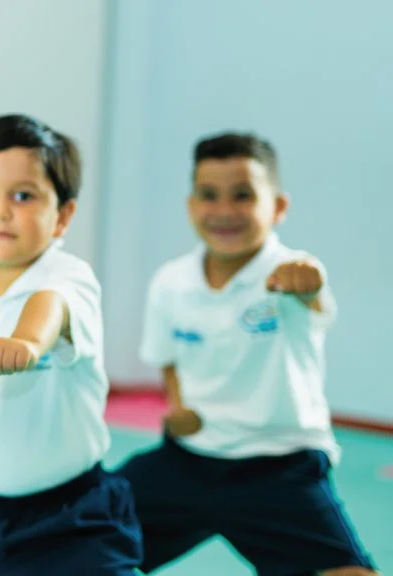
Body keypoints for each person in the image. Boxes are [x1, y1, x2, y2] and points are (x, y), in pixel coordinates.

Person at [116, 132, 378, 575]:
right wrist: (178, 405)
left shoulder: (290, 273)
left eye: (242, 196)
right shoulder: (171, 281)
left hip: (280, 468)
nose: (224, 211)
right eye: (209, 195)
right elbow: (168, 358)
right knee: (82, 534)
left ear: (277, 207)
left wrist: (308, 280)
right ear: (191, 205)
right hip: (187, 461)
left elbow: (311, 290)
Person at [0, 114, 142, 575]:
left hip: (71, 514)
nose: (1, 211)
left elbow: (53, 306)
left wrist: (26, 340)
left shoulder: (67, 276)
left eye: (23, 196)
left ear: (62, 215)